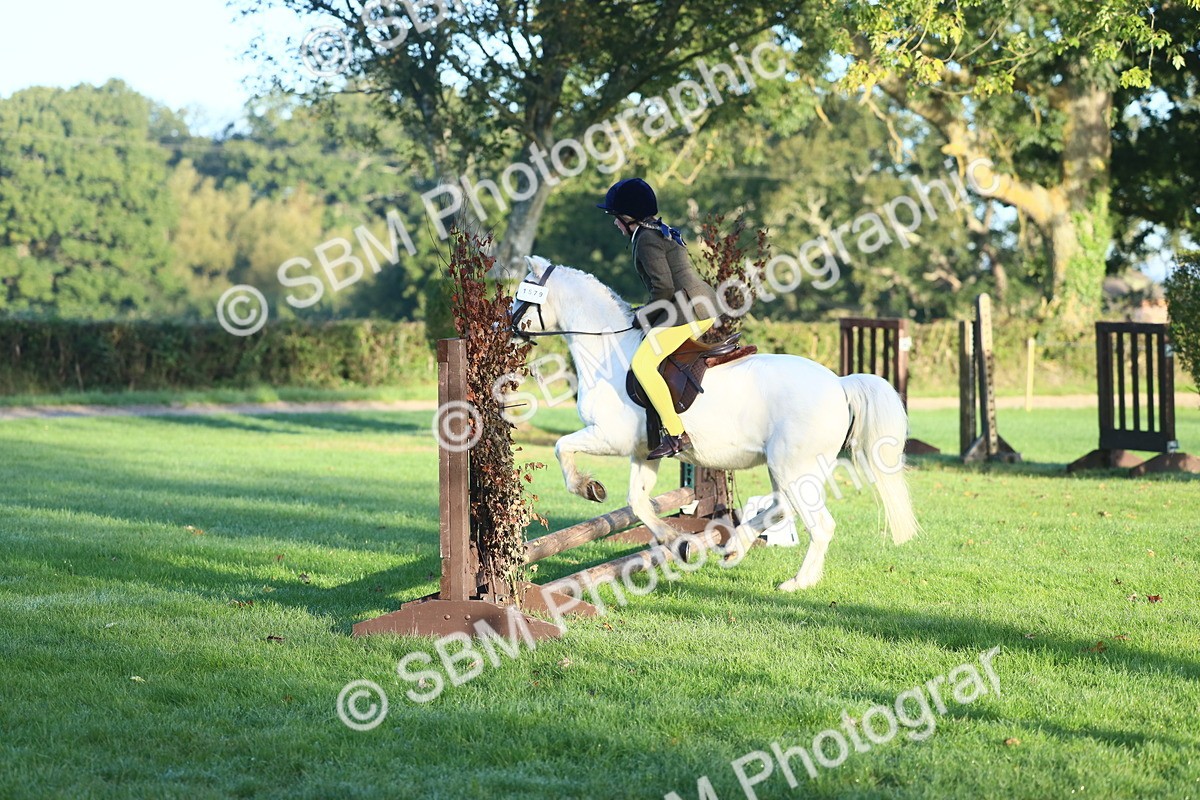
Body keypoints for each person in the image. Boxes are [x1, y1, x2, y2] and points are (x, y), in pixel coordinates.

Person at [597, 177, 721, 460]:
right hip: (698, 305)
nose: (615, 224)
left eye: (616, 218)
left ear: (629, 217)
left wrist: (644, 314)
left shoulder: (646, 238)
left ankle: (676, 434)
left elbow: (663, 289)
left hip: (689, 311)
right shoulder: (659, 230)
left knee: (642, 363)